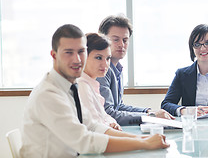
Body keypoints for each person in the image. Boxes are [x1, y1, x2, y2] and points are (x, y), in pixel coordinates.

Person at [20, 24, 169, 157]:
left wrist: (143, 138)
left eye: (81, 52)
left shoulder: (69, 87)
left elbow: (92, 125)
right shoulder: (49, 94)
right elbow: (84, 141)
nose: (77, 59)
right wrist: (144, 144)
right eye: (69, 52)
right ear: (54, 55)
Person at [97, 14, 173, 125]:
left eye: (125, 40)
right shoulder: (101, 70)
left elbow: (119, 106)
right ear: (103, 39)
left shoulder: (117, 69)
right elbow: (109, 113)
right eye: (115, 40)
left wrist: (148, 111)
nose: (121, 45)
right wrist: (150, 116)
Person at [77, 33, 121, 130]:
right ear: (83, 57)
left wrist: (112, 123)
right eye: (98, 58)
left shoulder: (92, 83)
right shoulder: (81, 85)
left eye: (108, 58)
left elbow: (103, 116)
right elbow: (93, 126)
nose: (105, 64)